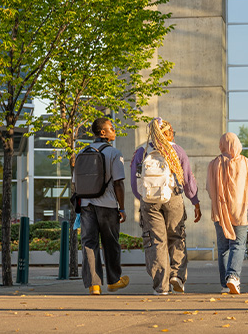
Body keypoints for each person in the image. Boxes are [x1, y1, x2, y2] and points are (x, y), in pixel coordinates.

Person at [130, 117, 201, 295]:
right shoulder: (176, 151)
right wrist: (195, 202)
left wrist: (144, 198)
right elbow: (188, 180)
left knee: (156, 241)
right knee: (176, 236)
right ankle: (177, 276)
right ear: (168, 133)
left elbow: (134, 182)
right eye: (172, 132)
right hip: (173, 197)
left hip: (149, 201)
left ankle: (160, 286)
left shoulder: (142, 151)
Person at [77, 117, 129, 295]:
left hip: (86, 204)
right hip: (107, 205)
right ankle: (114, 280)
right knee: (110, 242)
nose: (114, 131)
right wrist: (121, 208)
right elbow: (118, 183)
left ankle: (94, 285)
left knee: (89, 243)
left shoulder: (81, 153)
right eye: (111, 128)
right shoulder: (114, 153)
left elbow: (76, 183)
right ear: (103, 133)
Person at [207, 132, 248, 295]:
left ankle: (225, 284)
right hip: (240, 209)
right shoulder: (247, 163)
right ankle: (233, 276)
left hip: (220, 211)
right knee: (238, 244)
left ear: (221, 145)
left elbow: (208, 188)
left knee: (223, 247)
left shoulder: (213, 164)